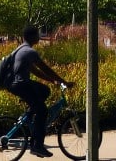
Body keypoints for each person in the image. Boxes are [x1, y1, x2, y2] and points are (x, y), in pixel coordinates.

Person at [9, 24, 73, 158]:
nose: (39, 36)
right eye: (37, 34)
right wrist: (63, 81)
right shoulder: (30, 52)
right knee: (43, 111)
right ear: (32, 37)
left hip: (16, 84)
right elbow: (45, 68)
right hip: (21, 85)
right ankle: (37, 146)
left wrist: (52, 81)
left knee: (44, 90)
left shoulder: (22, 49)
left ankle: (31, 113)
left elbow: (36, 71)